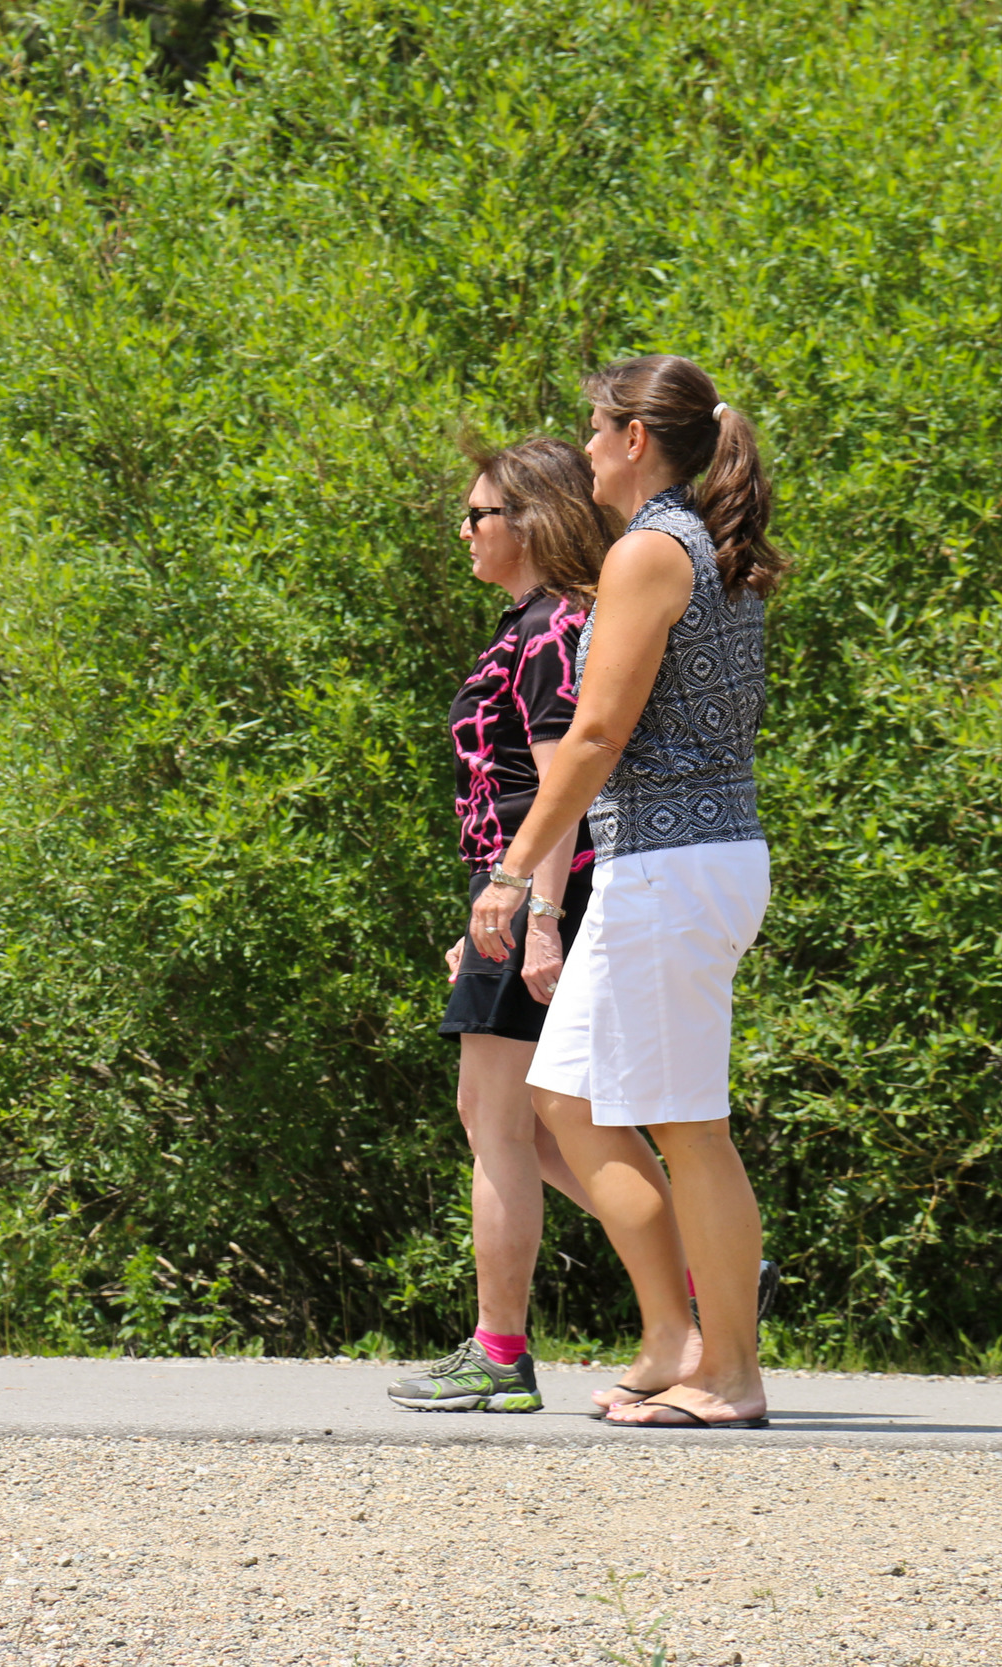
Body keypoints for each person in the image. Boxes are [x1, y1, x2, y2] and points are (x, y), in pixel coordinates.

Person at [467, 354, 785, 1428]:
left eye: (596, 431)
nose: (586, 449)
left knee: (690, 1124)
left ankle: (729, 1372)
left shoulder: (655, 547)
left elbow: (593, 734)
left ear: (635, 439)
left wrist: (516, 875)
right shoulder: (691, 544)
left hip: (673, 863)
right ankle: (669, 1338)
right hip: (672, 859)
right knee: (564, 1095)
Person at [386, 436, 623, 1415]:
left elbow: (564, 779)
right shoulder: (529, 624)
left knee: (495, 1122)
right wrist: (493, 900)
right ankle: (704, 1262)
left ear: (527, 518)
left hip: (538, 898)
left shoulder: (549, 633)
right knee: (521, 1120)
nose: (465, 530)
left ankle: (499, 1350)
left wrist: (535, 917)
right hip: (515, 894)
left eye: (479, 514)